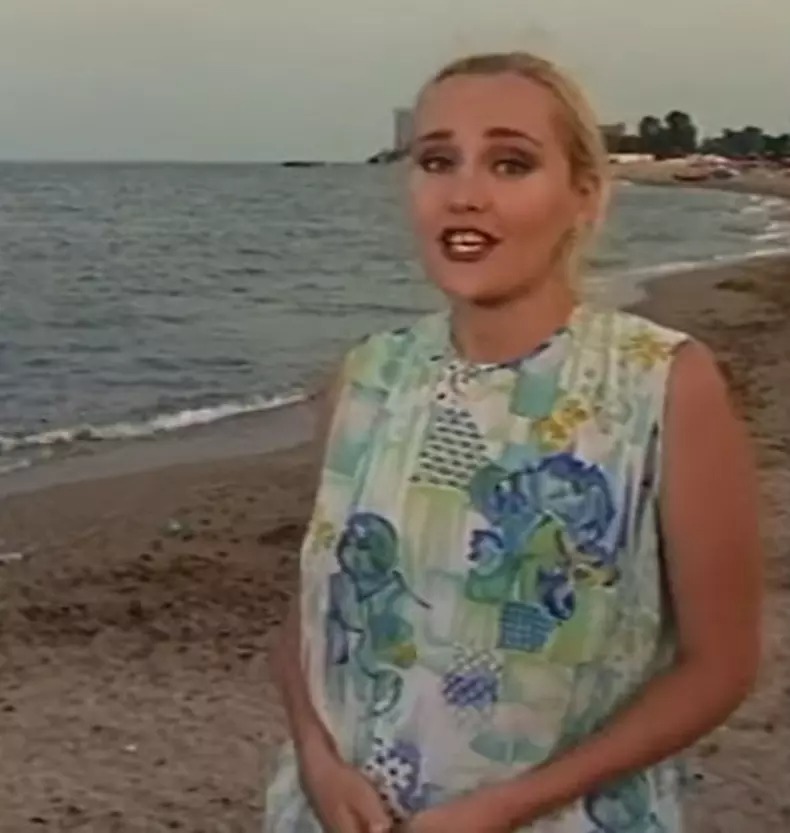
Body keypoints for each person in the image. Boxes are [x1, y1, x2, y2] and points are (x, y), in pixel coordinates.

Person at [264, 51, 762, 833]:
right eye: (437, 161)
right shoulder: (366, 378)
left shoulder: (659, 382)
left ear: (584, 195)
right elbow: (312, 614)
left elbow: (719, 666)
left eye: (511, 164)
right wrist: (319, 764)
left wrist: (506, 808)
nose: (465, 194)